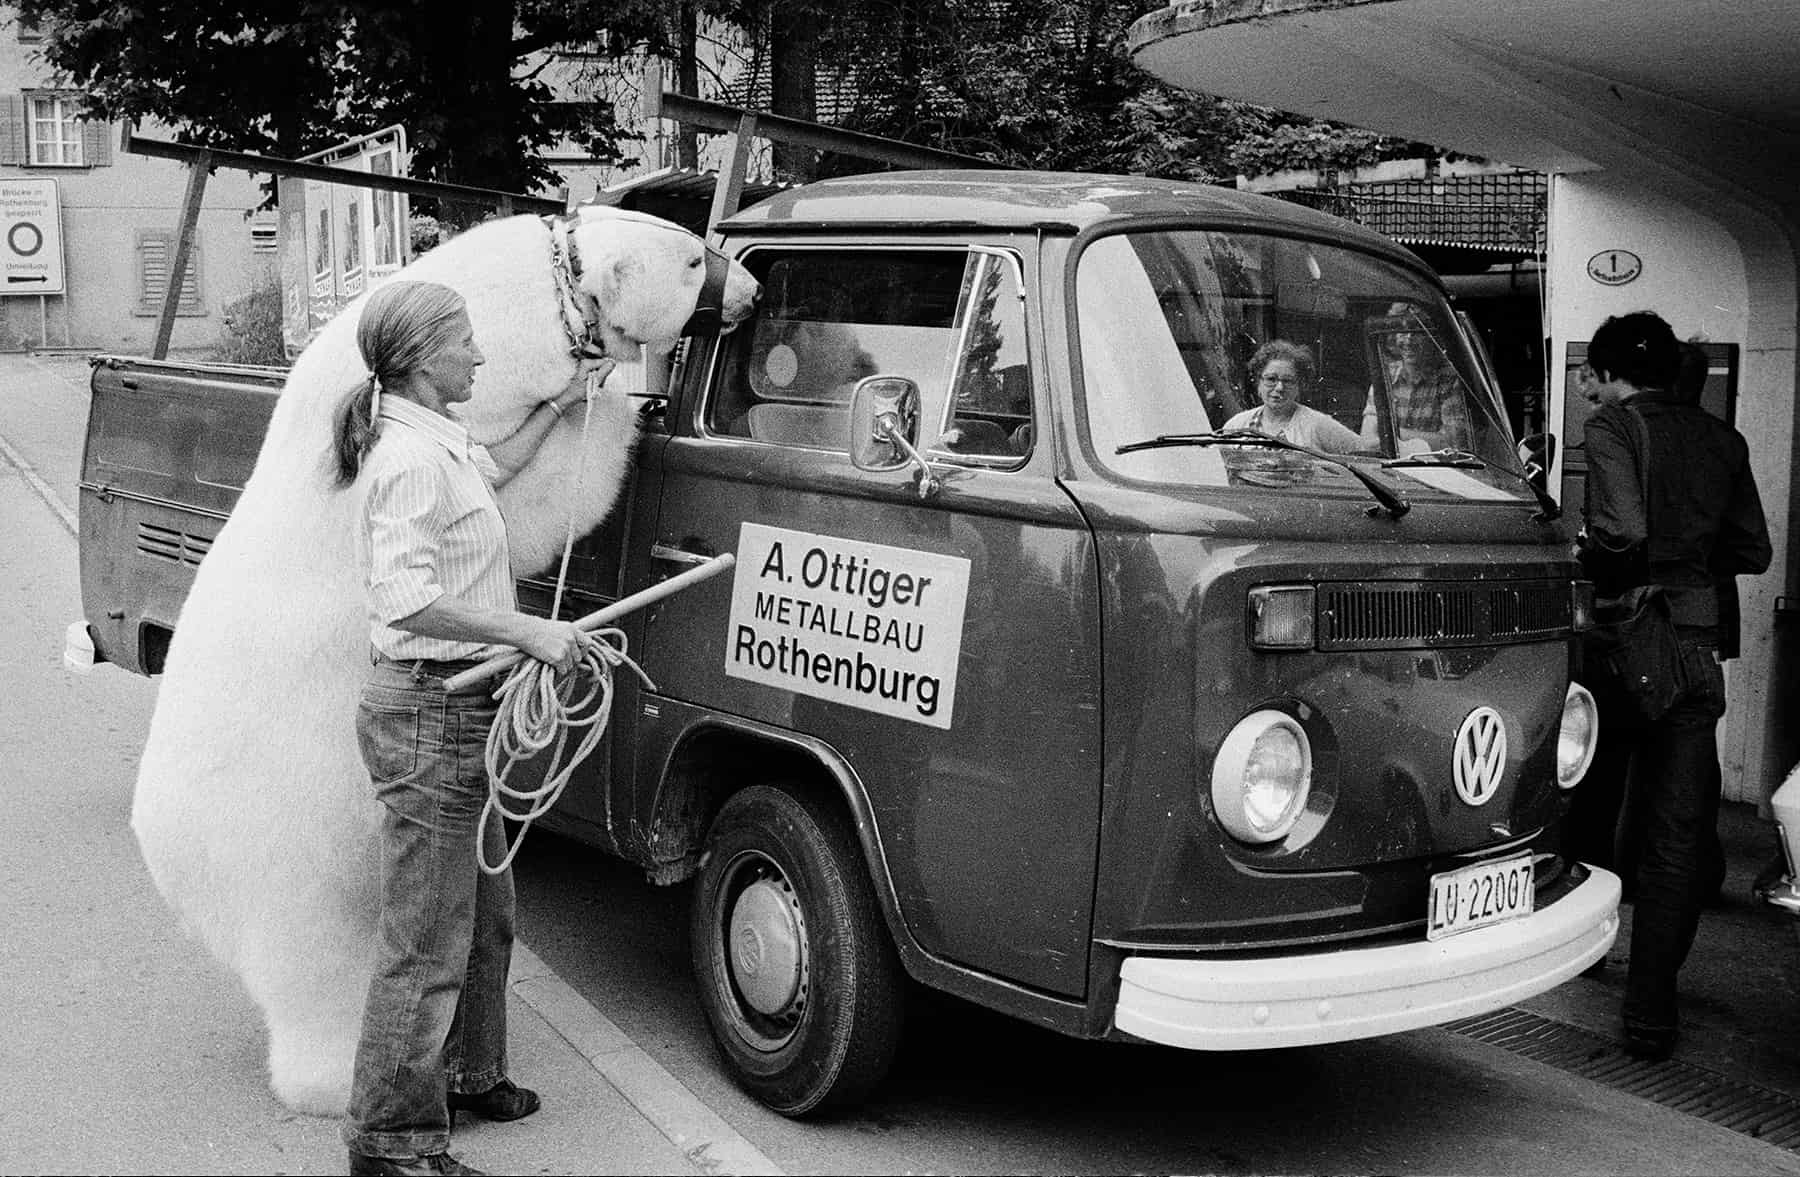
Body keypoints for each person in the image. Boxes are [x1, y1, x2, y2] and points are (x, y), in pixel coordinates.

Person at [331, 280, 608, 1176]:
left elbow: (499, 463)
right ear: (420, 360)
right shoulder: (408, 463)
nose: (481, 356)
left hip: (459, 708)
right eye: (465, 343)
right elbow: (405, 595)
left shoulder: (441, 443)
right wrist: (527, 630)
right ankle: (391, 1138)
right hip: (430, 710)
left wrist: (564, 404)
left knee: (488, 914)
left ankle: (471, 1071)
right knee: (426, 938)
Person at [1567, 311, 1769, 1063]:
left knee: (1592, 796)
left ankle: (1582, 951)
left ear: (1614, 373)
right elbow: (1753, 546)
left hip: (1625, 639)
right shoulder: (1724, 439)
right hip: (1693, 646)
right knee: (1677, 829)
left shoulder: (1616, 427)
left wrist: (1595, 547)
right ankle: (1652, 1011)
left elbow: (1619, 530)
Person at [1358, 312, 1472, 453]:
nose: (1409, 341)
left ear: (1432, 338)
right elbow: (1367, 437)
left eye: (1417, 332)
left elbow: (1453, 443)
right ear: (1393, 337)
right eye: (1402, 332)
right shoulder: (1386, 374)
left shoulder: (1448, 379)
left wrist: (1392, 433)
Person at [1222, 339, 1361, 452]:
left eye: (1288, 381)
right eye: (1271, 379)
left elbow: (1362, 452)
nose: (1279, 388)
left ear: (1299, 386)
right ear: (1259, 382)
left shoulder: (1317, 424)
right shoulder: (1237, 424)